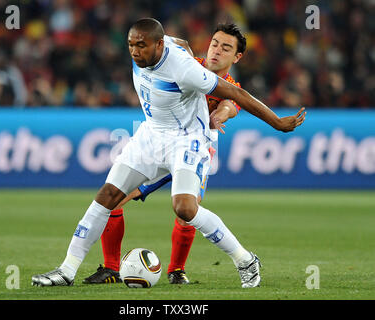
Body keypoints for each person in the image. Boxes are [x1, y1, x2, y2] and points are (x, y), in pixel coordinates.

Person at [32, 18, 305, 289]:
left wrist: (278, 123)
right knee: (107, 197)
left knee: (185, 208)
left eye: (142, 45)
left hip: (187, 142)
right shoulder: (164, 48)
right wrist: (178, 45)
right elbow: (180, 41)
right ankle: (67, 270)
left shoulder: (187, 70)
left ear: (158, 45)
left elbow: (236, 95)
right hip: (150, 136)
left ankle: (244, 260)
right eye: (131, 45)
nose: (136, 51)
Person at [82, 23, 245, 285]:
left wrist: (220, 114)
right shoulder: (187, 62)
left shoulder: (230, 85)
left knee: (186, 211)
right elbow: (170, 44)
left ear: (237, 57)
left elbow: (231, 103)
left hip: (193, 151)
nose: (217, 51)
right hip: (159, 145)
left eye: (226, 48)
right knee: (114, 200)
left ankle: (177, 270)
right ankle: (111, 268)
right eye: (215, 43)